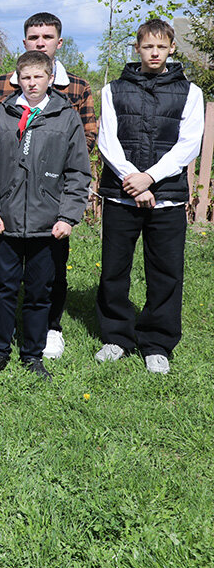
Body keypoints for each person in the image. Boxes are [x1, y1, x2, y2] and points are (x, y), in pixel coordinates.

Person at [95, 19, 204, 374]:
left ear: (171, 48)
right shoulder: (113, 90)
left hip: (167, 197)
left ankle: (157, 343)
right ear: (137, 48)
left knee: (165, 272)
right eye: (147, 46)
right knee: (114, 269)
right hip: (121, 195)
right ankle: (116, 336)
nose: (154, 53)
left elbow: (189, 144)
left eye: (161, 46)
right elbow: (107, 141)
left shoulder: (190, 92)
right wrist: (132, 179)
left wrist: (150, 178)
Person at [0, 12, 96, 359]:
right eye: (26, 78)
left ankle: (33, 353)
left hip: (48, 220)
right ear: (17, 80)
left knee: (40, 289)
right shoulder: (3, 114)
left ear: (51, 77)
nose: (32, 83)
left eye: (38, 77)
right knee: (3, 286)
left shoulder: (66, 116)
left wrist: (68, 215)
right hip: (7, 218)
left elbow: (78, 171)